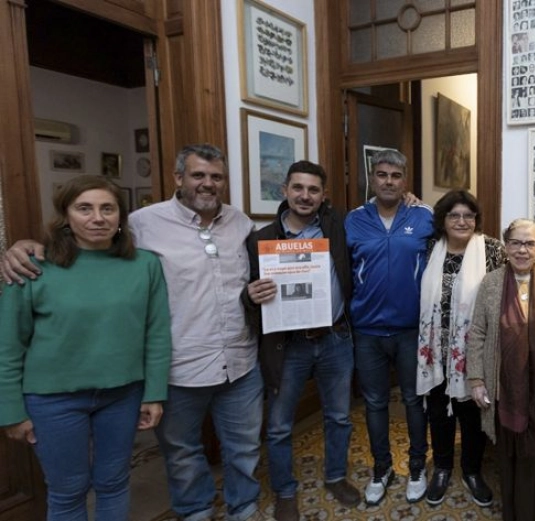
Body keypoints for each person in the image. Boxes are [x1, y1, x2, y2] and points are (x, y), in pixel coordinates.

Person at [0, 144, 267, 521]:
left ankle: (244, 510)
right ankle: (195, 512)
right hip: (180, 366)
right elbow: (81, 250)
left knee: (242, 448)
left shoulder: (240, 223)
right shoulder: (144, 223)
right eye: (198, 175)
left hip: (239, 362)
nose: (207, 183)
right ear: (179, 178)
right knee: (181, 453)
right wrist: (23, 247)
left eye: (216, 177)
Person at [0, 175, 171, 520]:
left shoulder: (145, 265)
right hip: (53, 401)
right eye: (85, 208)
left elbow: (157, 333)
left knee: (114, 483)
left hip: (122, 395)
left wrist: (154, 393)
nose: (97, 217)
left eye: (107, 208)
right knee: (67, 491)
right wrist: (10, 410)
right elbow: (8, 345)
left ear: (120, 217)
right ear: (66, 215)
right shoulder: (33, 267)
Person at [242, 161, 360, 520]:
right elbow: (246, 294)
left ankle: (336, 476)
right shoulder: (260, 239)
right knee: (278, 426)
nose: (305, 196)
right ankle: (285, 490)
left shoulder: (337, 228)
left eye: (313, 190)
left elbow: (379, 211)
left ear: (323, 195)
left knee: (339, 416)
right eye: (298, 188)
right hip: (287, 345)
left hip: (335, 338)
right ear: (285, 191)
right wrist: (250, 295)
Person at [345, 149, 433, 505]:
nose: (389, 182)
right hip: (367, 330)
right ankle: (382, 469)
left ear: (405, 180)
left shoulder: (423, 216)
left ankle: (416, 467)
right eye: (382, 175)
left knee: (414, 400)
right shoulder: (353, 220)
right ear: (373, 177)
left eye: (396, 176)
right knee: (375, 403)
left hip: (411, 329)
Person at [466, 219, 535, 521]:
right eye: (516, 243)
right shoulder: (491, 283)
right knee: (507, 455)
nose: (523, 250)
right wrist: (477, 379)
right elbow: (477, 332)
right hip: (503, 386)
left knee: (533, 454)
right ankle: (511, 513)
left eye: (530, 243)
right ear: (506, 247)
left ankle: (529, 512)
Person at [416, 190, 505, 507]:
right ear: (443, 219)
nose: (462, 221)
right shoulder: (430, 249)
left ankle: (471, 470)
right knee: (438, 413)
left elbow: (507, 289)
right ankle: (441, 467)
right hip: (436, 349)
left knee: (472, 413)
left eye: (469, 215)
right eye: (454, 215)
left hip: (475, 350)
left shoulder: (492, 249)